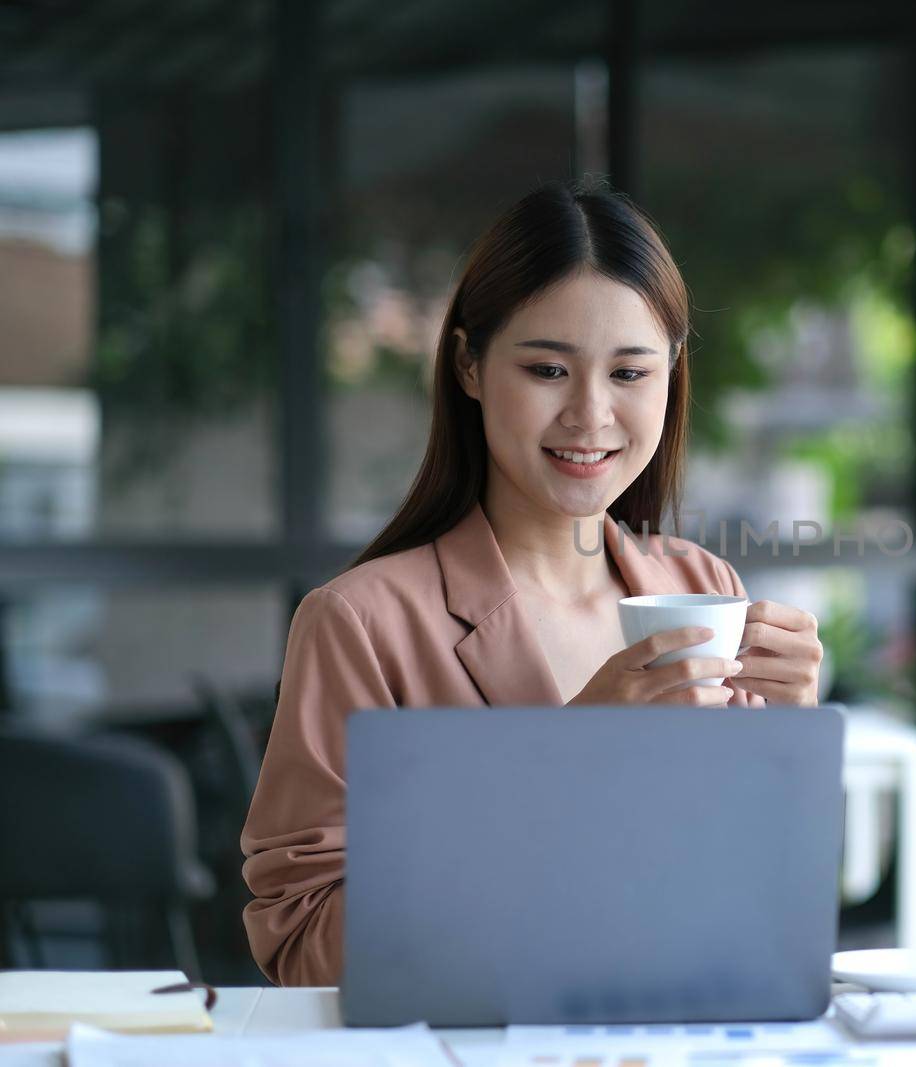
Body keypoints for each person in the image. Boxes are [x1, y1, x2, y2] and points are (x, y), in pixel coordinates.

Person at [240, 182, 825, 987]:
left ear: (672, 374)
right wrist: (560, 765)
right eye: (548, 368)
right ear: (468, 365)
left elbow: (755, 901)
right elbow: (305, 948)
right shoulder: (361, 624)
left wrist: (788, 746)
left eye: (629, 371)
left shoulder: (704, 586)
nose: (590, 414)